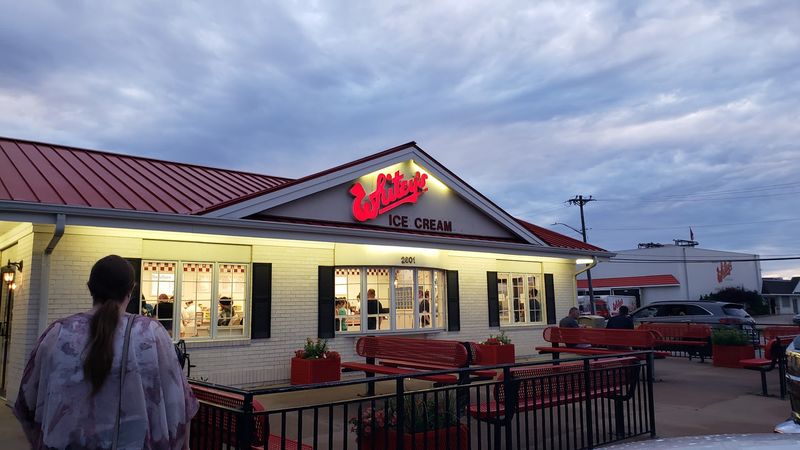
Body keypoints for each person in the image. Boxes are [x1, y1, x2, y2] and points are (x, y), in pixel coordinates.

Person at [13, 255, 198, 449]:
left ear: (90, 288)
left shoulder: (57, 334)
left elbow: (26, 406)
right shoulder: (151, 334)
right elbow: (181, 405)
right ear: (131, 290)